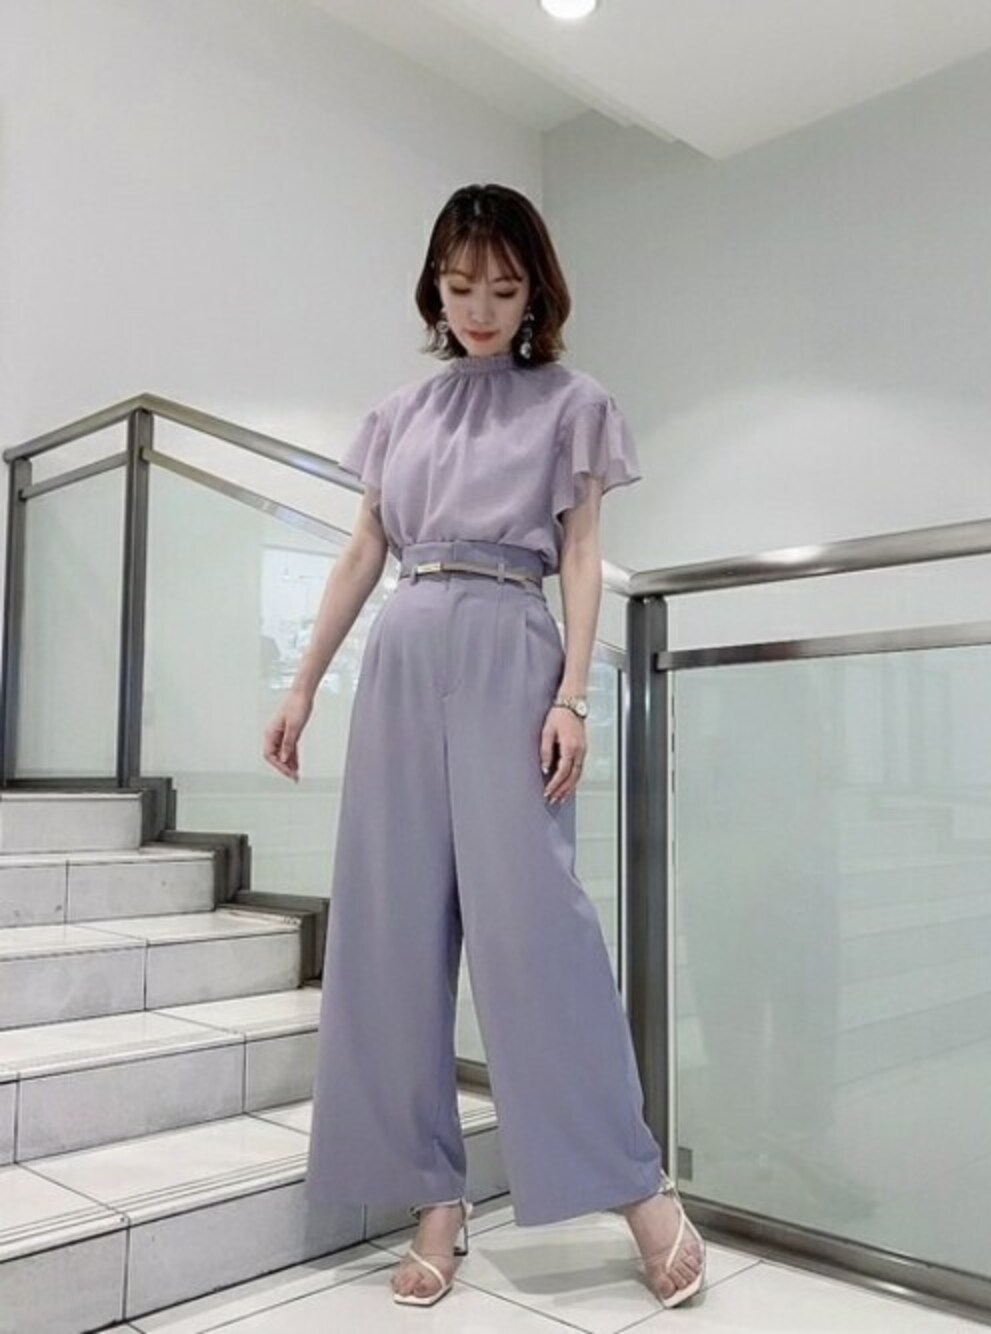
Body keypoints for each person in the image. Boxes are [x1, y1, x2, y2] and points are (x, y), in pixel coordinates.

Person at [262, 183, 707, 1311]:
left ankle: (633, 1181)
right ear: (435, 287)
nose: (479, 309)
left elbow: (582, 553)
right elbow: (363, 551)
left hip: (513, 642)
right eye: (460, 287)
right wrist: (302, 682)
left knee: (536, 927)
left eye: (503, 290)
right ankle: (434, 1197)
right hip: (405, 649)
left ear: (535, 293)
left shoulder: (573, 403)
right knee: (391, 927)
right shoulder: (399, 415)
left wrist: (572, 695)